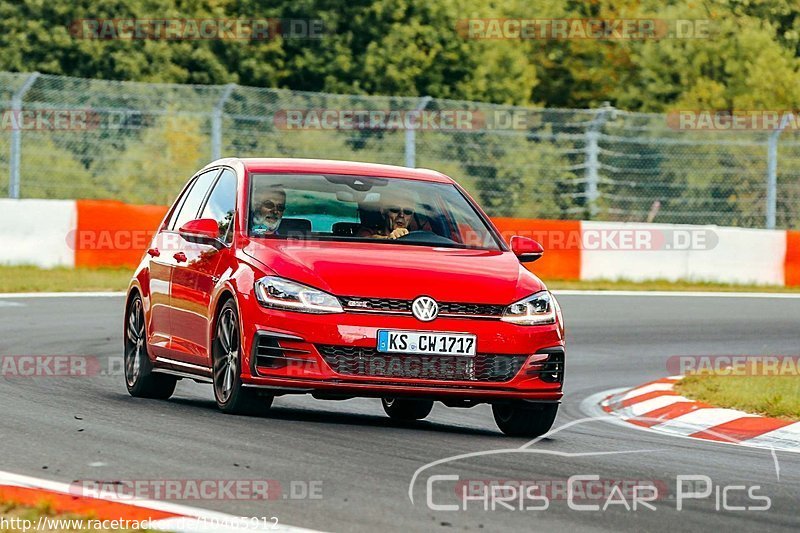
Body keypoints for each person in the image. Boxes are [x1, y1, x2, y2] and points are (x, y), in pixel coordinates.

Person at [357, 189, 431, 239]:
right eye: (395, 210)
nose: (401, 215)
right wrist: (389, 238)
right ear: (383, 212)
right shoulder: (367, 232)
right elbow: (367, 239)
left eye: (407, 211)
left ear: (412, 216)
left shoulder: (420, 237)